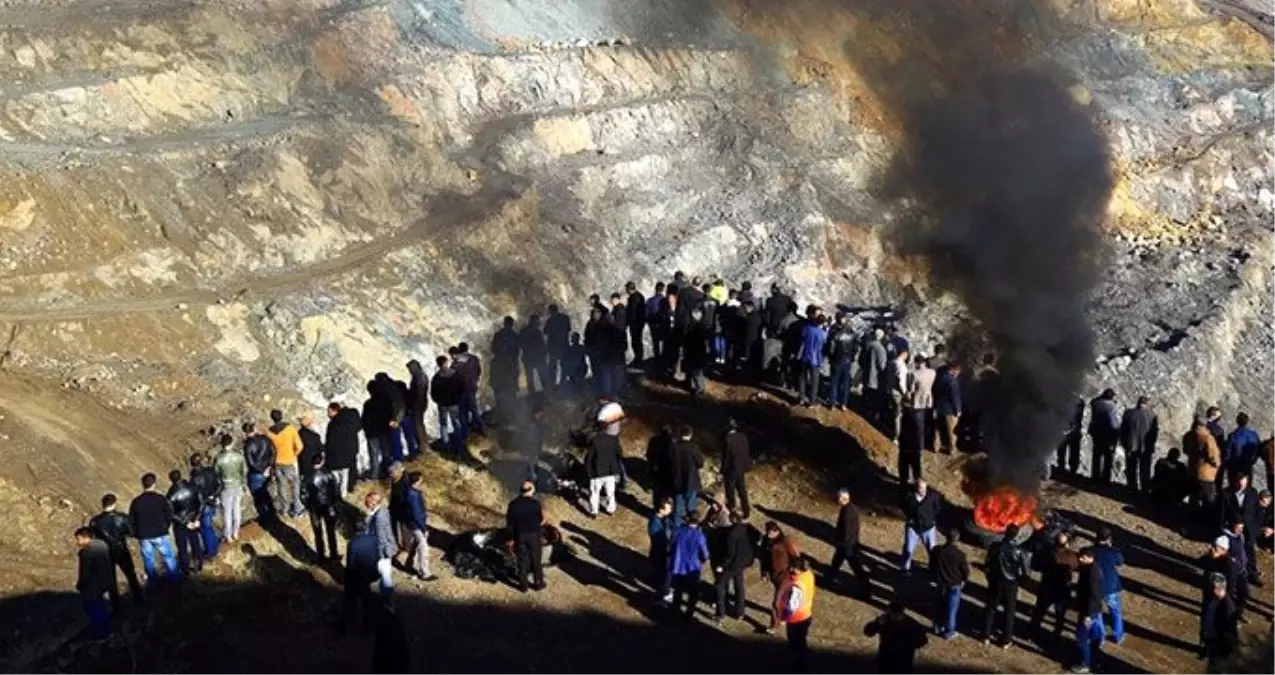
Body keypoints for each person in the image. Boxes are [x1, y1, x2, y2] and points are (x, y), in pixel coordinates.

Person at [89, 494, 144, 609]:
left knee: (110, 579)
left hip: (105, 551)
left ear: (103, 504)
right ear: (114, 503)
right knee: (130, 574)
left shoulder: (95, 521)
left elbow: (93, 537)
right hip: (121, 548)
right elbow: (131, 532)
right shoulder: (121, 517)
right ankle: (139, 599)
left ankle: (115, 605)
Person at [982, 523, 1030, 649]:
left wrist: (990, 577)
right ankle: (1006, 639)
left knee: (991, 607)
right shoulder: (1019, 551)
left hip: (995, 581)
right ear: (1016, 535)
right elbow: (1025, 572)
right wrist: (1019, 580)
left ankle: (986, 635)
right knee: (1009, 611)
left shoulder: (994, 547)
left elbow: (987, 565)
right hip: (1011, 584)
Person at [129, 473, 179, 586]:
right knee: (168, 557)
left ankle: (153, 583)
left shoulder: (136, 502)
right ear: (154, 484)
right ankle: (175, 580)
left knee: (149, 560)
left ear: (142, 485)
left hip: (144, 535)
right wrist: (166, 527)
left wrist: (136, 533)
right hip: (160, 533)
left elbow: (131, 520)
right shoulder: (161, 499)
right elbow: (169, 515)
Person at [1029, 530, 1079, 637]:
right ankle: (1056, 635)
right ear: (1067, 544)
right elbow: (1076, 566)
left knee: (1039, 611)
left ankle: (1032, 632)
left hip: (1047, 586)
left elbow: (1035, 566)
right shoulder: (1071, 556)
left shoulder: (1047, 554)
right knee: (1060, 615)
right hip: (1062, 590)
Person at [776, 556, 816, 675]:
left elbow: (791, 605)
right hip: (806, 614)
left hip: (796, 619)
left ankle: (800, 667)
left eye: (793, 567)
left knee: (796, 644)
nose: (790, 569)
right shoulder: (808, 575)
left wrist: (784, 618)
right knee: (801, 641)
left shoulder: (796, 585)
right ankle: (803, 663)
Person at [865, 601, 929, 675]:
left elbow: (922, 641)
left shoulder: (911, 625)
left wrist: (911, 639)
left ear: (902, 614)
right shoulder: (884, 620)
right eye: (892, 614)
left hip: (902, 664)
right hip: (886, 663)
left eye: (897, 614)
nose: (894, 617)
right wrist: (876, 624)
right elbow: (868, 632)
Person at [829, 488, 871, 599]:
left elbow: (846, 530)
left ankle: (866, 589)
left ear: (843, 498)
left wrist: (840, 541)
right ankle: (829, 580)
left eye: (838, 497)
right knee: (837, 563)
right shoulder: (851, 508)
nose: (836, 499)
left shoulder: (847, 511)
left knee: (855, 567)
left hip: (847, 545)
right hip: (850, 544)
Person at [74, 527, 116, 640]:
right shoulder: (102, 545)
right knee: (101, 606)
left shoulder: (86, 553)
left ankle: (101, 633)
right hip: (105, 581)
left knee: (92, 608)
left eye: (78, 539)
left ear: (85, 537)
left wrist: (80, 584)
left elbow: (85, 572)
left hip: (92, 585)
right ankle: (107, 629)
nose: (77, 542)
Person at [1222, 471, 1262, 586]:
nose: (1241, 484)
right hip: (1232, 528)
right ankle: (1232, 575)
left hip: (1249, 528)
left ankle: (1252, 574)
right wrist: (1229, 526)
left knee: (1250, 551)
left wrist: (1256, 528)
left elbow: (1257, 512)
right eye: (1239, 482)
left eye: (1243, 481)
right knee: (1234, 552)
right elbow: (1222, 513)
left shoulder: (1252, 492)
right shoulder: (1226, 493)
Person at [761, 521, 801, 633]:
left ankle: (774, 625)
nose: (768, 535)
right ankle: (785, 615)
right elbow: (764, 557)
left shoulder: (785, 542)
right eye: (767, 532)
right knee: (785, 598)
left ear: (777, 531)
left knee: (776, 602)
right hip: (773, 575)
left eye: (770, 532)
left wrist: (795, 569)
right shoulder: (766, 540)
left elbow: (795, 557)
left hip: (784, 575)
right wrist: (764, 572)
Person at [669, 510, 710, 618]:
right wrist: (702, 560)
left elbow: (671, 547)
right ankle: (689, 614)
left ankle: (675, 611)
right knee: (693, 593)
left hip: (678, 566)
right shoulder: (699, 536)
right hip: (693, 568)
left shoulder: (678, 531)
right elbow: (705, 554)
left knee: (678, 590)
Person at [714, 509, 753, 622]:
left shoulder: (732, 534)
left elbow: (730, 554)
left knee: (719, 585)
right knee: (739, 585)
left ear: (734, 518)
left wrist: (722, 565)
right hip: (744, 562)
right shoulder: (747, 528)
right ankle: (740, 612)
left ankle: (720, 613)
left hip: (733, 564)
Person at [341, 525, 381, 634]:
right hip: (372, 572)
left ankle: (344, 626)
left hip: (359, 575)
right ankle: (367, 626)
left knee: (350, 597)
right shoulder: (374, 539)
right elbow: (378, 556)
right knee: (366, 597)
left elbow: (351, 565)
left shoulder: (353, 543)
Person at [507, 480, 546, 592]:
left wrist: (511, 538)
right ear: (531, 490)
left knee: (522, 560)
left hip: (519, 535)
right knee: (536, 559)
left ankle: (523, 585)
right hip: (534, 535)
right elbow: (540, 520)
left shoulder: (513, 504)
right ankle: (538, 583)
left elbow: (510, 523)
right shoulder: (535, 504)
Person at [264, 409, 304, 517]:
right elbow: (300, 446)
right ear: (282, 416)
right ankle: (297, 508)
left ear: (272, 418)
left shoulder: (270, 432)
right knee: (295, 485)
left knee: (282, 487)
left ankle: (285, 509)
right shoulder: (290, 429)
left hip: (277, 464)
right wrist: (294, 455)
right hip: (289, 462)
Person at [303, 453, 341, 561]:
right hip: (328, 506)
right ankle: (334, 554)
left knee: (318, 532)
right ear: (322, 461)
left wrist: (308, 505)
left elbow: (302, 494)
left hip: (314, 508)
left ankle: (321, 556)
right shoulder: (328, 474)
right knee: (331, 531)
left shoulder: (307, 476)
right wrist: (334, 502)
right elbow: (336, 490)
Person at [1199, 572, 1241, 673]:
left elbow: (1231, 632)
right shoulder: (1212, 599)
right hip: (1212, 641)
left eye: (1212, 587)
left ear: (1221, 588)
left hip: (1220, 647)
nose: (1209, 590)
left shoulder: (1227, 607)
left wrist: (1228, 650)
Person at [931, 528, 968, 639]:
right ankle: (949, 631)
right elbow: (965, 571)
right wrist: (964, 580)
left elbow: (932, 565)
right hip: (954, 585)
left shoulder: (937, 551)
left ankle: (937, 626)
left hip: (941, 583)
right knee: (951, 609)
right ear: (957, 539)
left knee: (939, 606)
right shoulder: (960, 555)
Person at [1072, 546, 1104, 674]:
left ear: (1090, 558)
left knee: (1082, 638)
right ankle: (1095, 656)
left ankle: (1085, 663)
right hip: (1094, 609)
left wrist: (1088, 614)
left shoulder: (1091, 573)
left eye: (1083, 557)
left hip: (1088, 611)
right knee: (1094, 635)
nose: (1080, 559)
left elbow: (1092, 595)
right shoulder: (1093, 567)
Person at [1091, 526, 1126, 643]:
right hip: (1110, 586)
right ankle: (1118, 635)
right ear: (1109, 538)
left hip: (1095, 586)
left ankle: (1100, 637)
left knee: (1097, 612)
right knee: (1115, 611)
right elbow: (1120, 562)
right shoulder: (1113, 551)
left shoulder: (1090, 551)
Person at [211, 434, 247, 544]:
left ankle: (228, 535)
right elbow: (243, 471)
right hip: (237, 485)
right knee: (236, 509)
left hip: (225, 487)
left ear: (222, 444)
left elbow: (216, 474)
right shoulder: (239, 456)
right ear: (232, 443)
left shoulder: (219, 458)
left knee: (227, 512)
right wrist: (244, 484)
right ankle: (236, 533)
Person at [166, 470, 204, 574]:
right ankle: (199, 566)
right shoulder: (192, 487)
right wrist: (197, 518)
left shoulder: (171, 494)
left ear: (171, 480)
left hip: (180, 524)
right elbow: (201, 503)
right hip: (193, 519)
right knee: (195, 543)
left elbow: (170, 514)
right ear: (181, 476)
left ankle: (186, 570)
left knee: (182, 548)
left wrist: (185, 522)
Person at [1186, 416, 1223, 522]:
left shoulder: (1189, 435)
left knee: (1194, 495)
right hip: (1206, 472)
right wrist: (1217, 464)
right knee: (1208, 497)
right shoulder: (1207, 437)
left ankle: (1192, 515)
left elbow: (1185, 449)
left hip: (1192, 469)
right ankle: (1205, 519)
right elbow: (1213, 455)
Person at [1119, 395, 1159, 493]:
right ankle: (1144, 489)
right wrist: (1151, 444)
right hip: (1146, 447)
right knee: (1145, 469)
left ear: (1138, 403)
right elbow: (1154, 433)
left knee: (1131, 468)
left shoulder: (1128, 413)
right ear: (1146, 404)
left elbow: (1123, 430)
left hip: (1131, 445)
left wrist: (1124, 443)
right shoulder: (1152, 416)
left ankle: (1131, 487)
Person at [900, 479, 940, 576]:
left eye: (924, 488)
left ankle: (934, 569)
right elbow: (903, 506)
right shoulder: (909, 496)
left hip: (928, 528)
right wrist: (909, 517)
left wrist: (930, 518)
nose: (923, 490)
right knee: (908, 548)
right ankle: (905, 568)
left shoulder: (932, 496)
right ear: (916, 488)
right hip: (913, 528)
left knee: (932, 550)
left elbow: (937, 508)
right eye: (921, 488)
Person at [669, 426, 704, 528]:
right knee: (691, 507)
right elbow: (700, 463)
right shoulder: (693, 447)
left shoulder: (674, 447)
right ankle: (691, 527)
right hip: (691, 481)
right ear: (691, 435)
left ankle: (677, 528)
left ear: (680, 434)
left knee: (678, 508)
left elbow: (670, 463)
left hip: (677, 481)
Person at [189, 453, 222, 561]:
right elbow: (220, 484)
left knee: (205, 528)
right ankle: (215, 545)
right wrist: (215, 496)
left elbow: (198, 497)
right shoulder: (210, 471)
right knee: (208, 527)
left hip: (204, 505)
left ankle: (211, 552)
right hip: (212, 501)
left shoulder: (194, 479)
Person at [431, 354, 466, 456]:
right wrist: (458, 398)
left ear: (438, 364)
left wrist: (438, 401)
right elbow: (462, 387)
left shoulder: (436, 377)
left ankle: (446, 447)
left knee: (443, 425)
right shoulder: (455, 374)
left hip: (442, 405)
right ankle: (459, 445)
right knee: (456, 423)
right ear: (446, 362)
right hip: (454, 403)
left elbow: (433, 393)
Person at [402, 471, 434, 581]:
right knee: (423, 546)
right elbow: (416, 513)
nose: (422, 480)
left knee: (416, 544)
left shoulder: (407, 491)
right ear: (417, 481)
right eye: (421, 479)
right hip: (416, 524)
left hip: (411, 522)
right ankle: (425, 573)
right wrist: (423, 528)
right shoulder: (414, 495)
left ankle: (409, 564)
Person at [324, 402, 361, 494]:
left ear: (334, 410)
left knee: (338, 476)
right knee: (350, 469)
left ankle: (338, 494)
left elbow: (330, 441)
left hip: (338, 453)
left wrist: (326, 451)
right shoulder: (352, 415)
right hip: (352, 447)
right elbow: (359, 427)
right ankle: (351, 487)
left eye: (329, 411)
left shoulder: (334, 423)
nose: (328, 414)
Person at [243, 421, 276, 520]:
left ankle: (265, 517)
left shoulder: (248, 445)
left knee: (258, 497)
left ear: (245, 432)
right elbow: (273, 452)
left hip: (256, 474)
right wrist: (270, 466)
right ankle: (272, 514)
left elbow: (251, 463)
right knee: (266, 494)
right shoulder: (265, 438)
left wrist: (262, 471)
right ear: (254, 429)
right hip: (267, 470)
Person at [365, 492, 396, 597]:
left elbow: (381, 537)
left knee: (384, 574)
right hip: (382, 548)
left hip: (381, 550)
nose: (366, 503)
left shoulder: (379, 517)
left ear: (373, 502)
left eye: (367, 501)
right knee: (385, 573)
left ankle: (386, 597)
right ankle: (386, 595)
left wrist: (380, 554)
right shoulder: (380, 511)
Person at [585, 431, 623, 517]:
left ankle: (594, 512)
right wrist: (616, 470)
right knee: (610, 492)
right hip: (610, 471)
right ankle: (611, 510)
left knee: (594, 493)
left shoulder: (594, 441)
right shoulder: (613, 440)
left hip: (597, 473)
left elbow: (589, 458)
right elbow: (619, 455)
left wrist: (589, 472)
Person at [721, 418, 752, 518]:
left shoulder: (727, 439)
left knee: (730, 490)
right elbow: (746, 451)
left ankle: (732, 509)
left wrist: (723, 470)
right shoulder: (743, 436)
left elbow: (726, 457)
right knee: (742, 489)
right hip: (741, 467)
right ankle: (746, 510)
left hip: (731, 468)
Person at [1088, 389, 1120, 483]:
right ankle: (1106, 478)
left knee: (1096, 455)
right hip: (1108, 435)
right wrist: (1116, 434)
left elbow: (1093, 401)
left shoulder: (1096, 403)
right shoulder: (1111, 406)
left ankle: (1095, 476)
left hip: (1096, 432)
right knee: (1108, 457)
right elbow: (1113, 423)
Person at [797, 312, 828, 407]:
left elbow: (801, 339)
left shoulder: (807, 328)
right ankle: (812, 401)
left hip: (805, 356)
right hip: (816, 359)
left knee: (802, 378)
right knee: (814, 381)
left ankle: (801, 398)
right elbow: (825, 346)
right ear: (823, 323)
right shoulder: (823, 334)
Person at [907, 354, 936, 451]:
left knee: (919, 426)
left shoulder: (914, 374)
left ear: (917, 363)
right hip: (929, 400)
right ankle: (929, 443)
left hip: (917, 402)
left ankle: (920, 446)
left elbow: (911, 389)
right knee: (928, 423)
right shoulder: (932, 372)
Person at [453, 343, 484, 432]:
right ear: (467, 348)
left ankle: (466, 431)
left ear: (459, 350)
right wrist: (475, 380)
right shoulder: (474, 358)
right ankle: (479, 427)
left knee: (463, 411)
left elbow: (454, 376)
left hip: (461, 389)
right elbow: (479, 371)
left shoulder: (456, 362)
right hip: (472, 387)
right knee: (474, 408)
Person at [648, 499, 674, 604]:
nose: (670, 510)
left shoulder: (662, 519)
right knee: (662, 575)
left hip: (661, 553)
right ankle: (662, 595)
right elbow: (660, 542)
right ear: (661, 510)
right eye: (668, 508)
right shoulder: (655, 524)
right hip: (660, 554)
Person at [932, 363, 962, 454]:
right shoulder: (953, 381)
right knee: (952, 431)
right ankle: (952, 449)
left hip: (938, 407)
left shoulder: (939, 377)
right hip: (950, 410)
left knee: (937, 429)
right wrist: (958, 410)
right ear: (955, 370)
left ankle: (936, 447)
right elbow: (955, 397)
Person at [491, 315, 521, 403]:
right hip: (508, 361)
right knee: (512, 381)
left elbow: (493, 348)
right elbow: (517, 350)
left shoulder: (499, 334)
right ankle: (512, 400)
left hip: (502, 361)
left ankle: (501, 402)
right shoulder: (514, 335)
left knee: (499, 382)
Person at [1225, 413, 1262, 480]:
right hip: (1248, 465)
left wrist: (1228, 464)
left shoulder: (1232, 435)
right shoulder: (1254, 435)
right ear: (1247, 421)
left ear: (1237, 421)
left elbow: (1228, 452)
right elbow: (1259, 449)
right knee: (1247, 484)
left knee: (1234, 484)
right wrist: (1253, 461)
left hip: (1235, 466)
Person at [646, 425, 674, 507]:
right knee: (665, 487)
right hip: (666, 468)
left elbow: (649, 453)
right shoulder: (671, 442)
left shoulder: (653, 440)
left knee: (656, 485)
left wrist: (651, 462)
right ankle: (664, 503)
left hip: (655, 466)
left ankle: (656, 504)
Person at [405, 360, 429, 456]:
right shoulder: (421, 375)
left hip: (418, 405)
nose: (409, 371)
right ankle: (424, 445)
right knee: (420, 424)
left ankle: (423, 446)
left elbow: (418, 392)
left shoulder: (418, 377)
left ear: (414, 367)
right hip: (421, 403)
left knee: (418, 425)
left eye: (410, 369)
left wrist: (412, 403)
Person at [520, 314, 549, 393]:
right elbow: (541, 345)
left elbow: (521, 344)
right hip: (537, 357)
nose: (538, 323)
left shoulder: (524, 331)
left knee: (530, 378)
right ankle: (546, 393)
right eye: (537, 321)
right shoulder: (537, 332)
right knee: (542, 376)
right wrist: (544, 353)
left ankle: (532, 394)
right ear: (534, 321)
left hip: (529, 357)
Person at [544, 304, 572, 387]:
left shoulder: (550, 320)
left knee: (553, 365)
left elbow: (545, 331)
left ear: (550, 311)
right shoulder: (565, 318)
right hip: (563, 344)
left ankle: (552, 382)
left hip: (553, 346)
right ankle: (563, 381)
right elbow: (568, 329)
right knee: (564, 364)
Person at [887, 347, 911, 442]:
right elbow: (901, 382)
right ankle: (897, 436)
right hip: (898, 393)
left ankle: (895, 433)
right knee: (899, 415)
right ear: (904, 354)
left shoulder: (892, 362)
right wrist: (905, 393)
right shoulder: (901, 366)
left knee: (895, 414)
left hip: (891, 390)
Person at [1057, 397, 1085, 476]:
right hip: (1075, 430)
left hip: (1064, 428)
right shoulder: (1080, 402)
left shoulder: (1063, 400)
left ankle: (1062, 467)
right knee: (1074, 450)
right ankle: (1073, 469)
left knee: (1062, 449)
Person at [624, 282, 646, 367]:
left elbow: (632, 312)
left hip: (635, 323)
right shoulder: (638, 296)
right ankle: (638, 358)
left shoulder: (634, 297)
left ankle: (638, 359)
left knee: (636, 341)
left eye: (627, 288)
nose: (626, 290)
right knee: (637, 341)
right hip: (638, 323)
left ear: (629, 289)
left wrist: (628, 322)